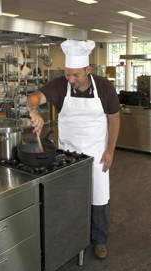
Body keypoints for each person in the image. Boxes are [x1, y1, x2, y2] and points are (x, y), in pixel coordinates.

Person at [27, 39, 120, 259]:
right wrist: (33, 109)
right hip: (67, 154)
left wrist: (110, 151)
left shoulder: (104, 86)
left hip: (97, 152)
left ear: (88, 70)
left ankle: (99, 240)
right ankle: (71, 238)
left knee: (99, 197)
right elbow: (35, 97)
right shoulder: (60, 85)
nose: (70, 79)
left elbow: (114, 120)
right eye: (67, 74)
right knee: (69, 198)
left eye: (75, 75)